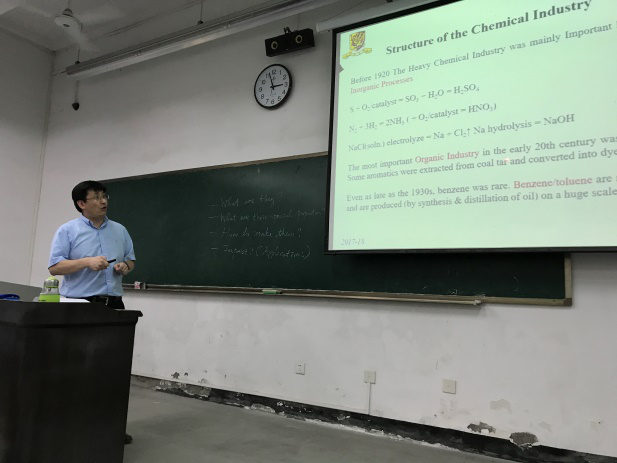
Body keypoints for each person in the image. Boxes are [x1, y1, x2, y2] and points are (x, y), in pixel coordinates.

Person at [48, 180, 136, 445]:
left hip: (114, 305)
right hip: (80, 305)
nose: (103, 201)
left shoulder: (120, 230)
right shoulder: (68, 230)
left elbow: (131, 260)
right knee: (77, 369)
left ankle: (109, 427)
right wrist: (86, 262)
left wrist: (125, 267)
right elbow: (55, 267)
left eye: (104, 195)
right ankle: (71, 424)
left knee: (112, 369)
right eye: (96, 197)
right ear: (81, 203)